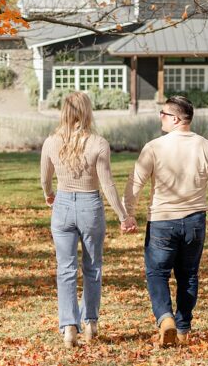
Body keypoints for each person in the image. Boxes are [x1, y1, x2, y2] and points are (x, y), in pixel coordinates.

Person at [122, 95, 208, 347]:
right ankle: (182, 328)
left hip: (162, 221)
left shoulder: (155, 147)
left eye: (164, 113)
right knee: (188, 275)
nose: (160, 117)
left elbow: (136, 182)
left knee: (157, 273)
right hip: (195, 221)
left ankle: (165, 318)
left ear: (177, 118)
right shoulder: (207, 147)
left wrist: (128, 212)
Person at [41, 91, 128, 347]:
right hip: (91, 204)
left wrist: (49, 195)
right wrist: (123, 215)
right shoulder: (98, 143)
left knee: (65, 269)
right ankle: (90, 322)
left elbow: (45, 180)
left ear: (64, 112)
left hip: (63, 205)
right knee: (93, 267)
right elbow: (108, 184)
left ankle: (69, 325)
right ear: (88, 111)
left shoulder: (51, 142)